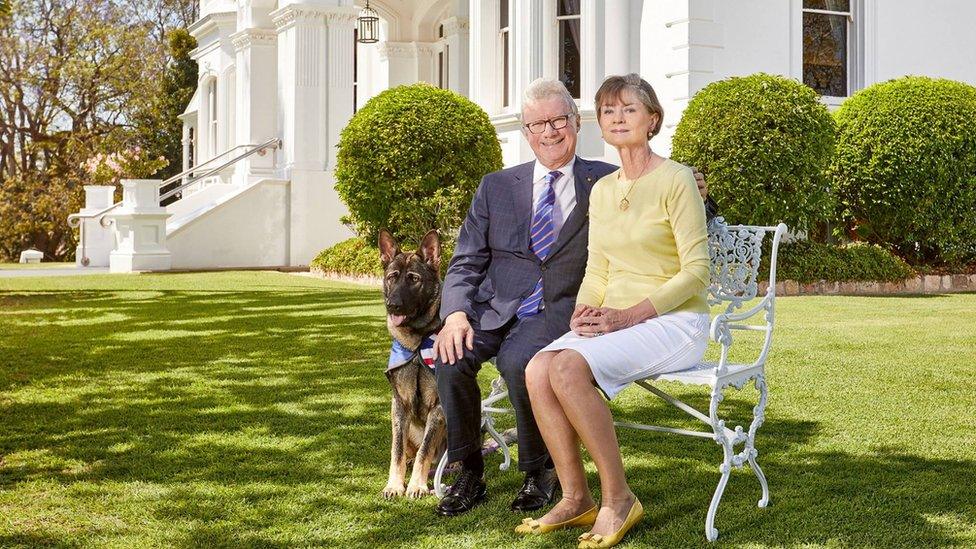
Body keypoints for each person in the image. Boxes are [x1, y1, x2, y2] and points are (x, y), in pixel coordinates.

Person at [432, 78, 713, 518]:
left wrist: (699, 189)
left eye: (558, 119)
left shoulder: (601, 178)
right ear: (525, 131)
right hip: (496, 307)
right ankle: (467, 469)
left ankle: (538, 472)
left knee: (521, 361)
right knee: (450, 357)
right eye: (537, 124)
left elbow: (668, 205)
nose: (549, 131)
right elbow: (466, 260)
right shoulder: (496, 186)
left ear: (576, 124)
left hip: (558, 308)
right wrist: (454, 315)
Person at [516, 73, 711, 548]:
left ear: (652, 119)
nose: (618, 117)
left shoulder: (677, 179)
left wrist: (629, 315)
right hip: (615, 320)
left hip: (676, 321)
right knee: (538, 367)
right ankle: (575, 496)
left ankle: (618, 498)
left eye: (629, 108)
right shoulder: (603, 189)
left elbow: (697, 273)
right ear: (599, 124)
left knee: (566, 368)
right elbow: (598, 266)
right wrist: (584, 311)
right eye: (608, 111)